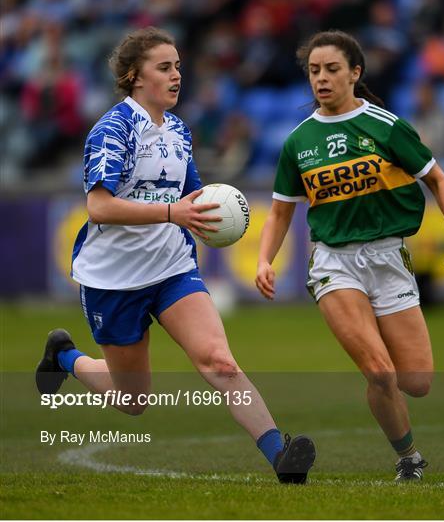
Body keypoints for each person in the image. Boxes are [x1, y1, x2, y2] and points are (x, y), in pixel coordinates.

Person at [35, 26, 315, 484]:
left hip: (172, 268)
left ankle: (280, 456)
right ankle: (64, 356)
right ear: (134, 76)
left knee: (219, 361)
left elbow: (193, 195)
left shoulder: (179, 130)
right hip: (113, 279)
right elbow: (98, 206)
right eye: (164, 67)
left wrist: (216, 215)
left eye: (178, 66)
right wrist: (172, 211)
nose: (176, 75)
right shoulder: (113, 129)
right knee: (133, 400)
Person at [255, 30, 444, 481]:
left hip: (388, 258)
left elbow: (439, 180)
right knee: (380, 372)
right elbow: (281, 213)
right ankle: (409, 460)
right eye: (313, 71)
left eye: (331, 69)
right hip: (333, 263)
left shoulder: (386, 126)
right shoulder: (298, 143)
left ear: (355, 73)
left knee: (416, 382)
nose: (320, 78)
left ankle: (398, 422)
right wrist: (266, 259)